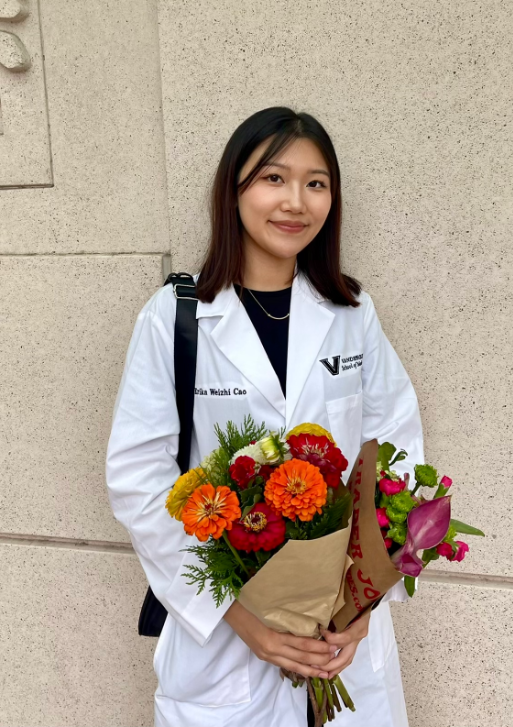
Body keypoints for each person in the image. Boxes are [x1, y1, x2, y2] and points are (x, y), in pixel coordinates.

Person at [106, 107, 424, 727]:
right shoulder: (177, 318)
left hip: (342, 642)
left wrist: (358, 607)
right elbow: (138, 482)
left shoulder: (352, 312)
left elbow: (396, 457)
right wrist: (246, 623)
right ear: (235, 189)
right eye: (273, 178)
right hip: (227, 638)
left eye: (316, 182)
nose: (295, 202)